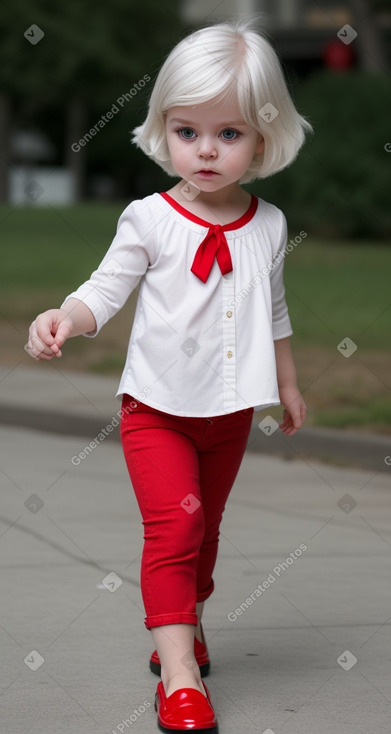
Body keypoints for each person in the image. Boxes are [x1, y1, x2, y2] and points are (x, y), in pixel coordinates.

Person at [26, 18, 312, 732]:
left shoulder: (268, 225)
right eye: (187, 132)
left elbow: (272, 309)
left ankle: (185, 623)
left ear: (263, 139)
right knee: (174, 529)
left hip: (231, 413)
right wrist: (64, 316)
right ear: (163, 130)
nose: (206, 150)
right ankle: (179, 677)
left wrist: (289, 383)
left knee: (205, 532)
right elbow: (103, 291)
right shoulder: (149, 220)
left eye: (229, 134)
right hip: (155, 409)